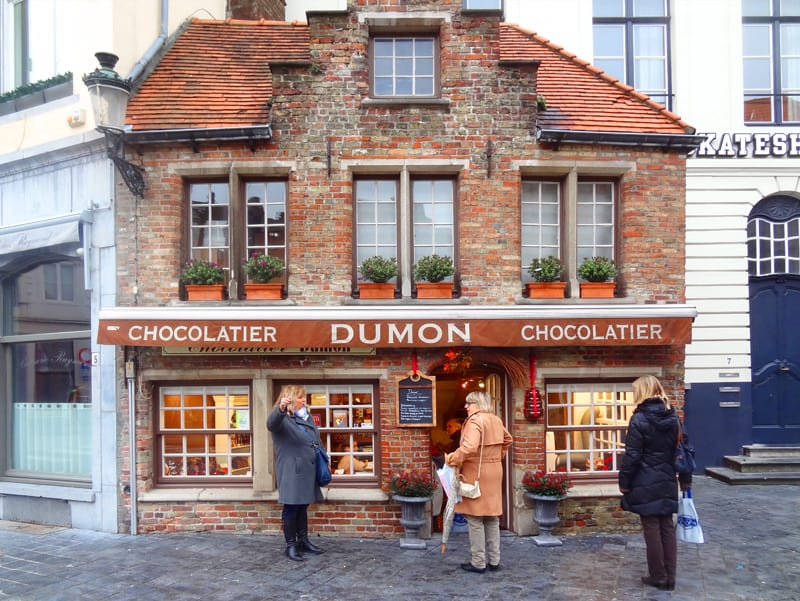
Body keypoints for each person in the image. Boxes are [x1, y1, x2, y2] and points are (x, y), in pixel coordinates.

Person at [618, 375, 691, 591]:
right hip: (667, 479)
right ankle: (670, 577)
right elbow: (685, 451)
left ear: (642, 392)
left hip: (644, 479)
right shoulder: (674, 418)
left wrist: (624, 483)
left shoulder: (639, 420)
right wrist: (685, 482)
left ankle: (658, 576)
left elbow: (632, 456)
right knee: (667, 526)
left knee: (651, 527)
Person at [445, 391, 513, 574]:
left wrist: (452, 458)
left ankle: (478, 562)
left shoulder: (475, 421)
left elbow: (469, 447)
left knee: (474, 518)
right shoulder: (495, 419)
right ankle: (495, 560)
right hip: (494, 470)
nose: (466, 406)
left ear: (478, 404)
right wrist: (497, 457)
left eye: (469, 403)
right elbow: (508, 439)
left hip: (476, 472)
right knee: (491, 516)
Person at [266, 384, 326, 562]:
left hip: (308, 469)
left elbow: (316, 441)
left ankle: (303, 540)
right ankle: (290, 545)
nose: (304, 400)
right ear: (291, 399)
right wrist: (281, 408)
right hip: (292, 471)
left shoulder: (306, 418)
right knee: (291, 508)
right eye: (301, 397)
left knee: (302, 506)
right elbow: (271, 424)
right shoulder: (282, 419)